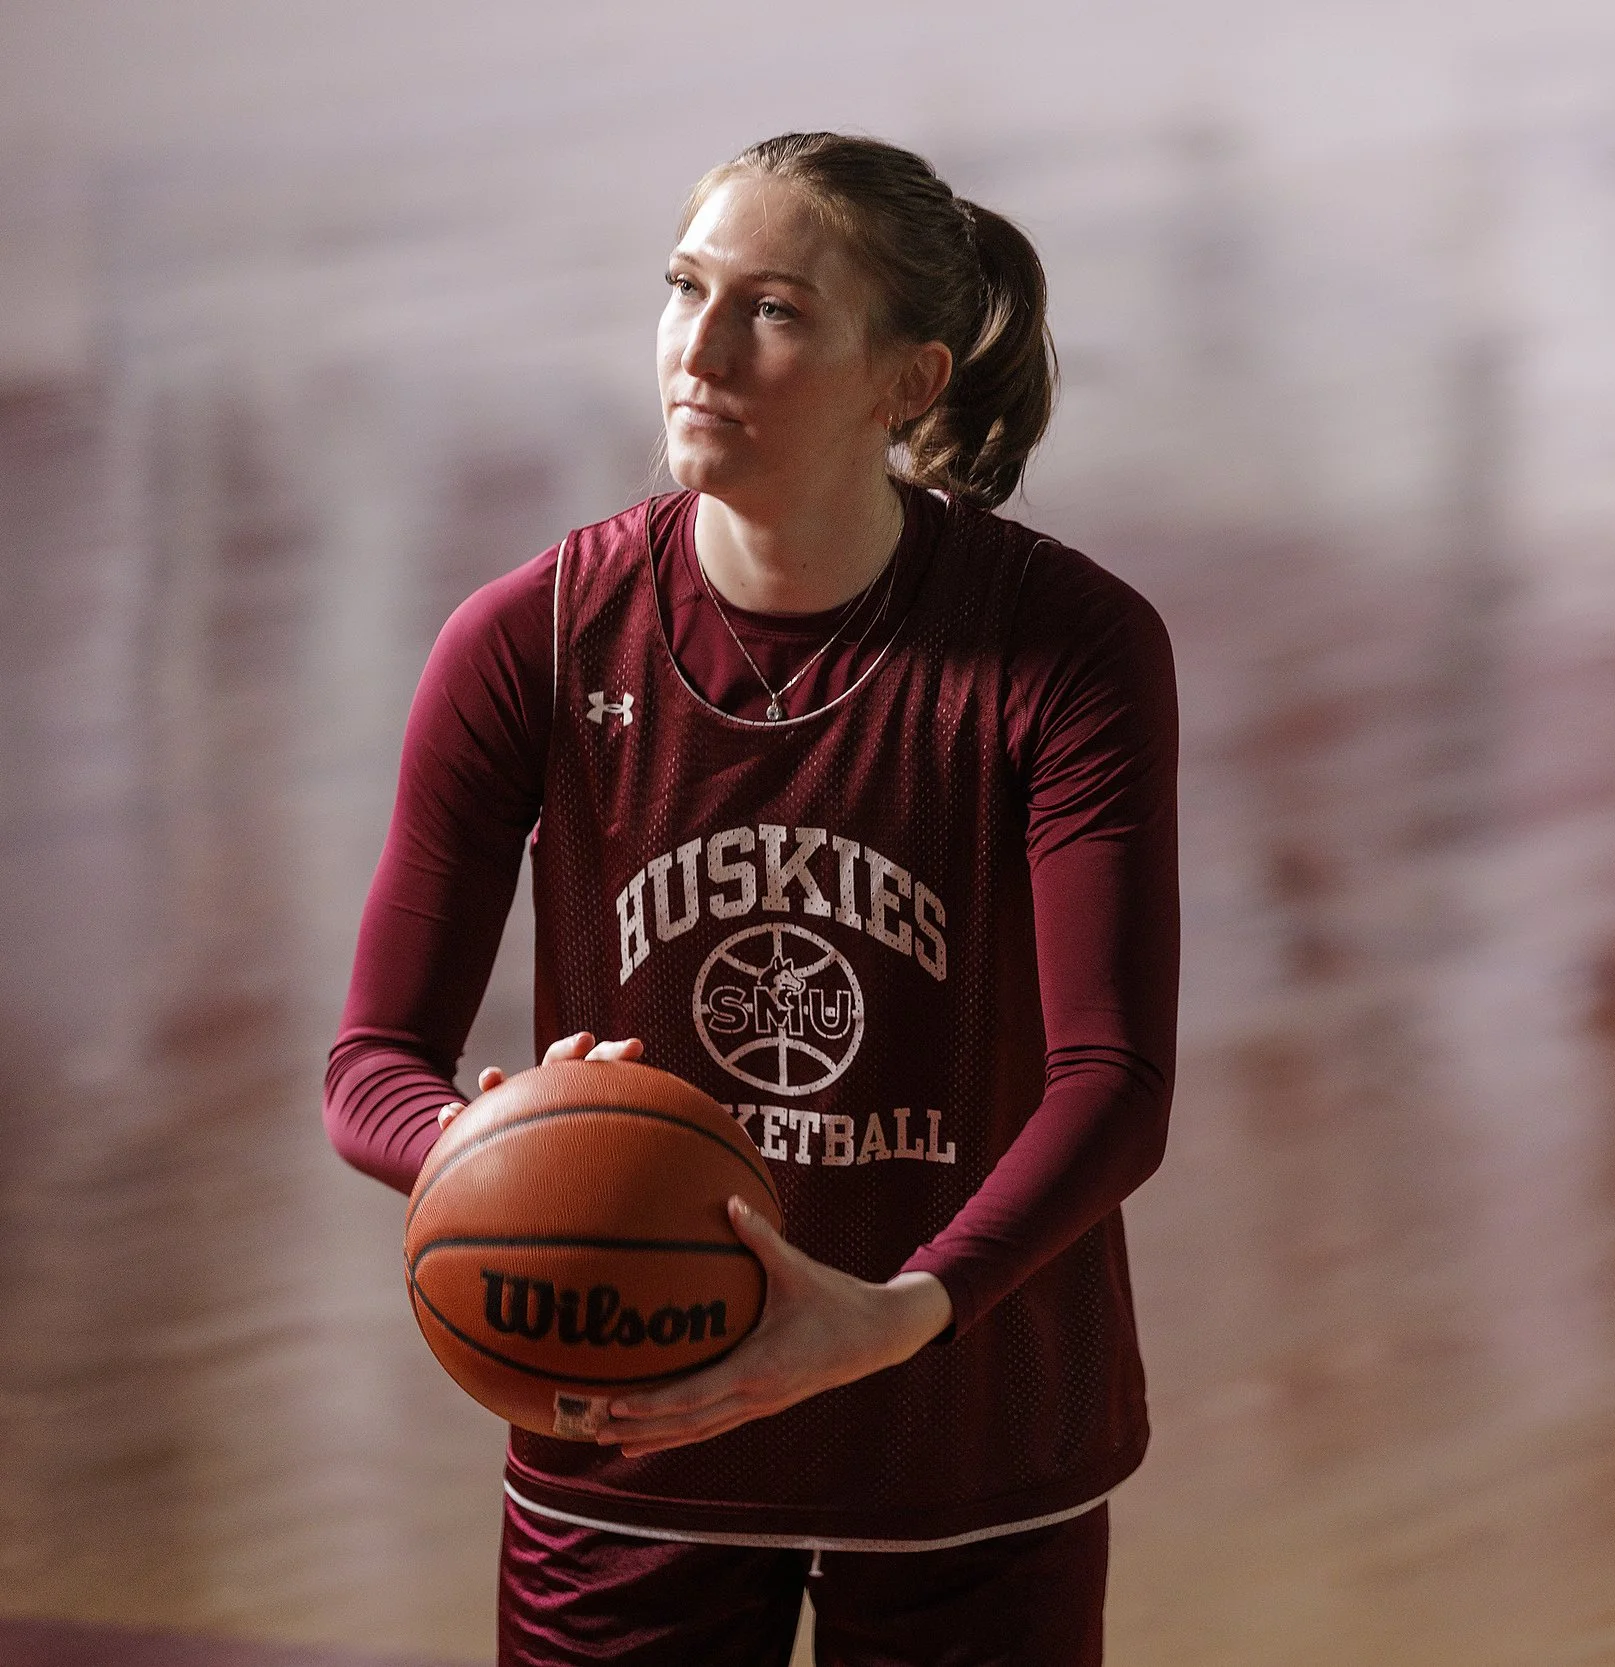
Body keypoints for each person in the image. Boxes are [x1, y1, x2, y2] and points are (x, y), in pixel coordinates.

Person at [323, 131, 1179, 1666]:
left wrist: (908, 1305)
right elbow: (367, 1064)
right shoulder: (533, 639)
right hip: (628, 1425)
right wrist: (476, 1146)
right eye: (685, 289)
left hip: (964, 1424)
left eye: (773, 311)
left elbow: (1112, 1085)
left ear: (906, 383)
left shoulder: (1065, 648)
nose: (699, 350)